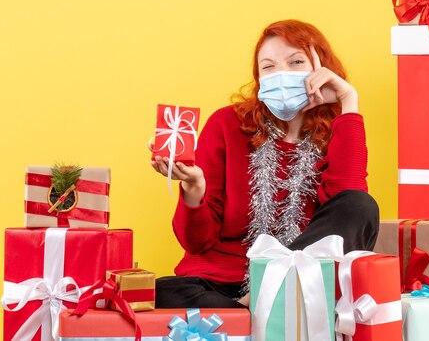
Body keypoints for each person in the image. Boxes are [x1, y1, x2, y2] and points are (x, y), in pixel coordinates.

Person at [150, 19, 379, 309]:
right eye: (269, 67)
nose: (281, 74)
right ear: (259, 77)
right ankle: (255, 309)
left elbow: (349, 205)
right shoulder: (226, 123)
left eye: (296, 62)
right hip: (223, 283)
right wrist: (193, 187)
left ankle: (261, 298)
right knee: (159, 293)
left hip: (300, 280)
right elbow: (196, 244)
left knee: (360, 204)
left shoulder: (340, 129)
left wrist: (349, 99)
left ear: (322, 70)